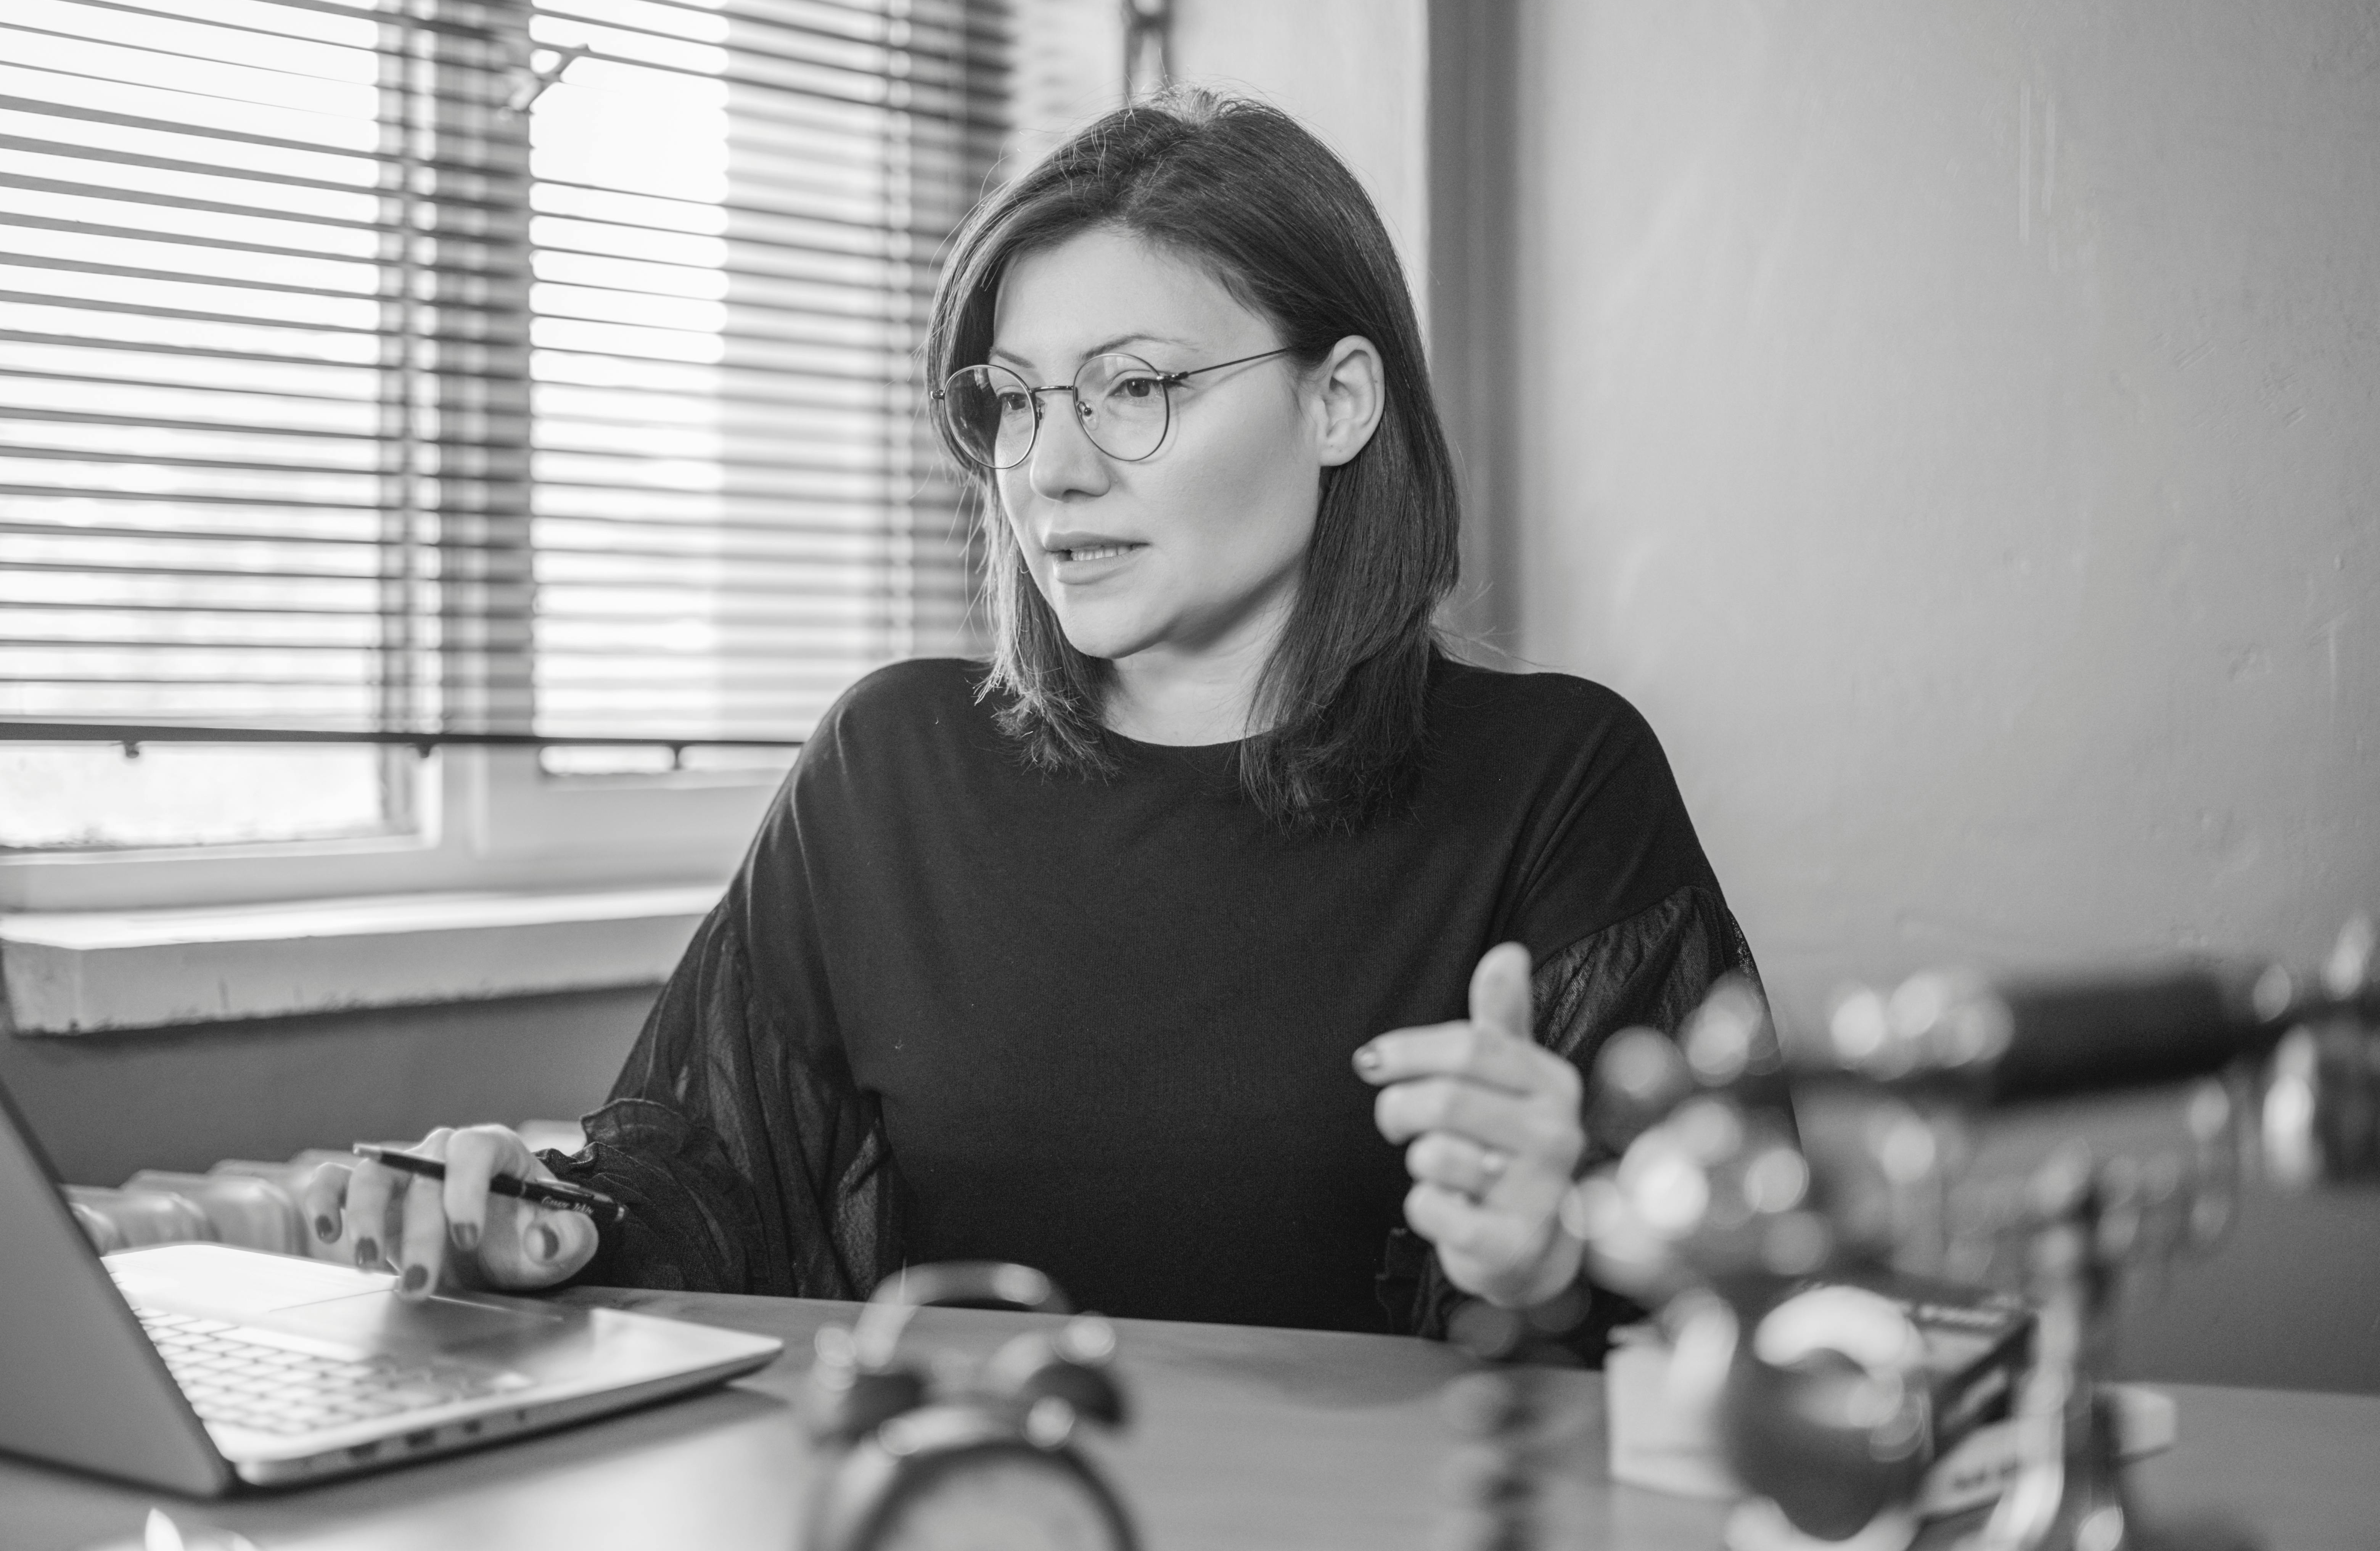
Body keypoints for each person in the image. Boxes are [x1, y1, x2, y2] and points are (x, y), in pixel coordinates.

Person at [306, 88, 1758, 1354]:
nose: (1049, 472)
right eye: (1014, 401)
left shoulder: (1559, 781)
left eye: (1135, 387)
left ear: (1341, 402)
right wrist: (539, 1226)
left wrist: (1561, 1255)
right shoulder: (892, 766)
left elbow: (1747, 1318)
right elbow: (699, 1188)